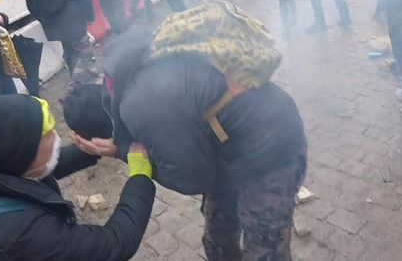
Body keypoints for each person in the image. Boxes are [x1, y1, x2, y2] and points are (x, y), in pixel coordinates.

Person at [95, 19, 306, 261]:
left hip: (272, 146)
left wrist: (126, 152)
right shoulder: (139, 65)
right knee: (217, 239)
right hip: (229, 151)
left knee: (265, 248)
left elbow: (191, 178)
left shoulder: (138, 104)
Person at [0, 94, 155, 260]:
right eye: (47, 133)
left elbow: (35, 172)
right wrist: (140, 177)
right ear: (21, 153)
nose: (56, 136)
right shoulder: (26, 234)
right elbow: (116, 243)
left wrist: (91, 151)